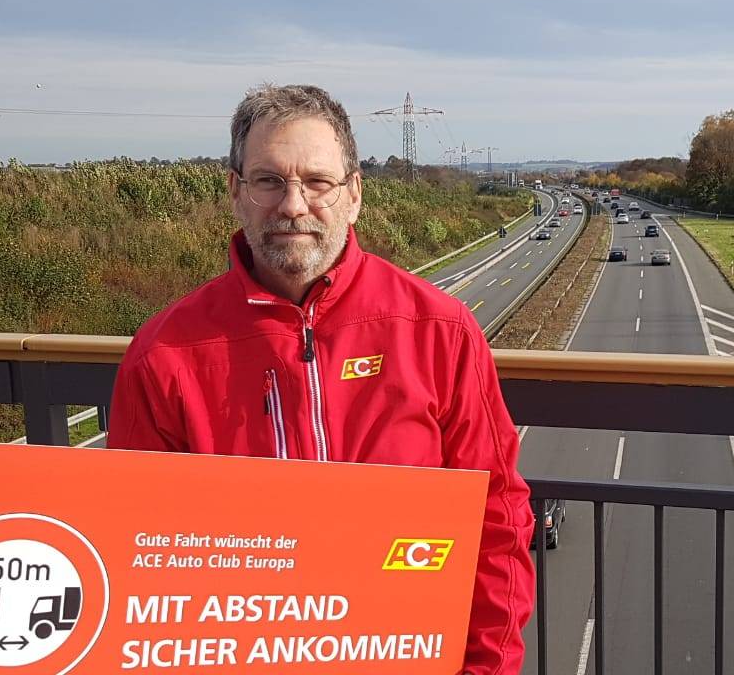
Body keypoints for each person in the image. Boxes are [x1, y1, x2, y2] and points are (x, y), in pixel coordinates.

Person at [107, 84, 534, 674]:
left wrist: (485, 669)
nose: (292, 204)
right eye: (268, 181)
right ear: (235, 192)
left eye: (317, 181)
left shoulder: (439, 329)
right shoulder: (165, 355)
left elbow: (499, 518)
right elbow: (134, 551)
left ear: (354, 195)